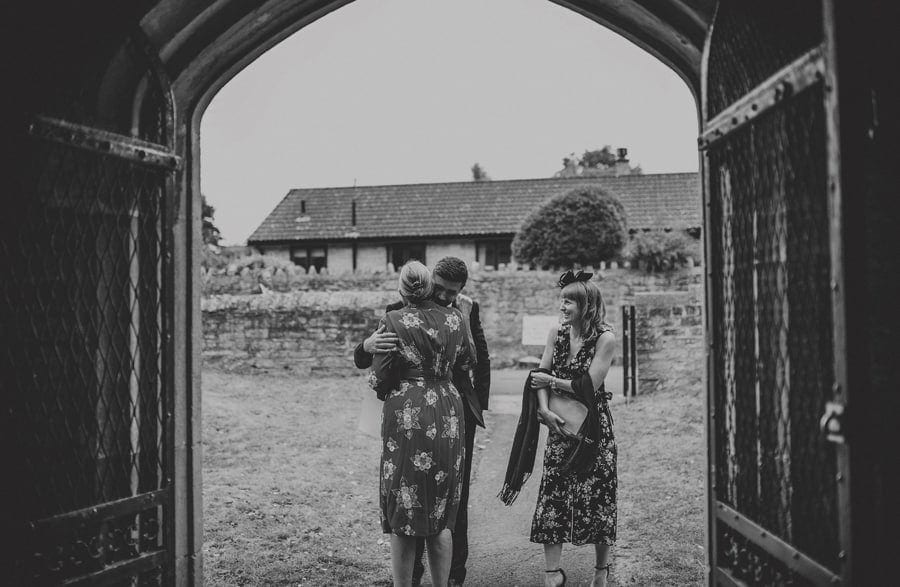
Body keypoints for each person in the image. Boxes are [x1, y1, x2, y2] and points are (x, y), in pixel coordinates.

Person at [355, 256, 490, 586]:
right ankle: (428, 578)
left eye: (451, 292)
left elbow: (482, 363)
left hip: (425, 414)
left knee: (425, 502)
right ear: (430, 281)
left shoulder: (410, 315)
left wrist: (477, 409)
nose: (444, 296)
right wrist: (366, 346)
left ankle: (453, 576)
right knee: (442, 506)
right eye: (439, 289)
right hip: (446, 409)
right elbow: (471, 357)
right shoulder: (451, 317)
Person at [529, 270, 617, 587]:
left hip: (594, 428)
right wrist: (543, 410)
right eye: (562, 299)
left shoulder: (606, 338)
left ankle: (600, 571)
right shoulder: (558, 332)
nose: (562, 306)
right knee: (553, 494)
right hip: (559, 423)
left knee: (599, 496)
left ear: (587, 305)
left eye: (569, 301)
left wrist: (551, 382)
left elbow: (588, 387)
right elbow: (540, 371)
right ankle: (552, 573)